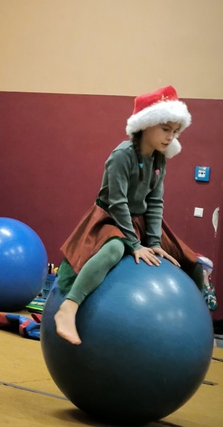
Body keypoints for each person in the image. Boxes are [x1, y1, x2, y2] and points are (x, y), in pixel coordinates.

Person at [54, 85, 204, 345]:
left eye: (175, 131)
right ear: (147, 125)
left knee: (191, 260)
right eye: (165, 129)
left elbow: (155, 202)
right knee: (114, 249)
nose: (171, 137)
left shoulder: (159, 158)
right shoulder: (122, 155)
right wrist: (134, 244)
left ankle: (197, 326)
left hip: (139, 221)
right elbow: (117, 202)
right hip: (110, 217)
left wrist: (154, 242)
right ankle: (69, 307)